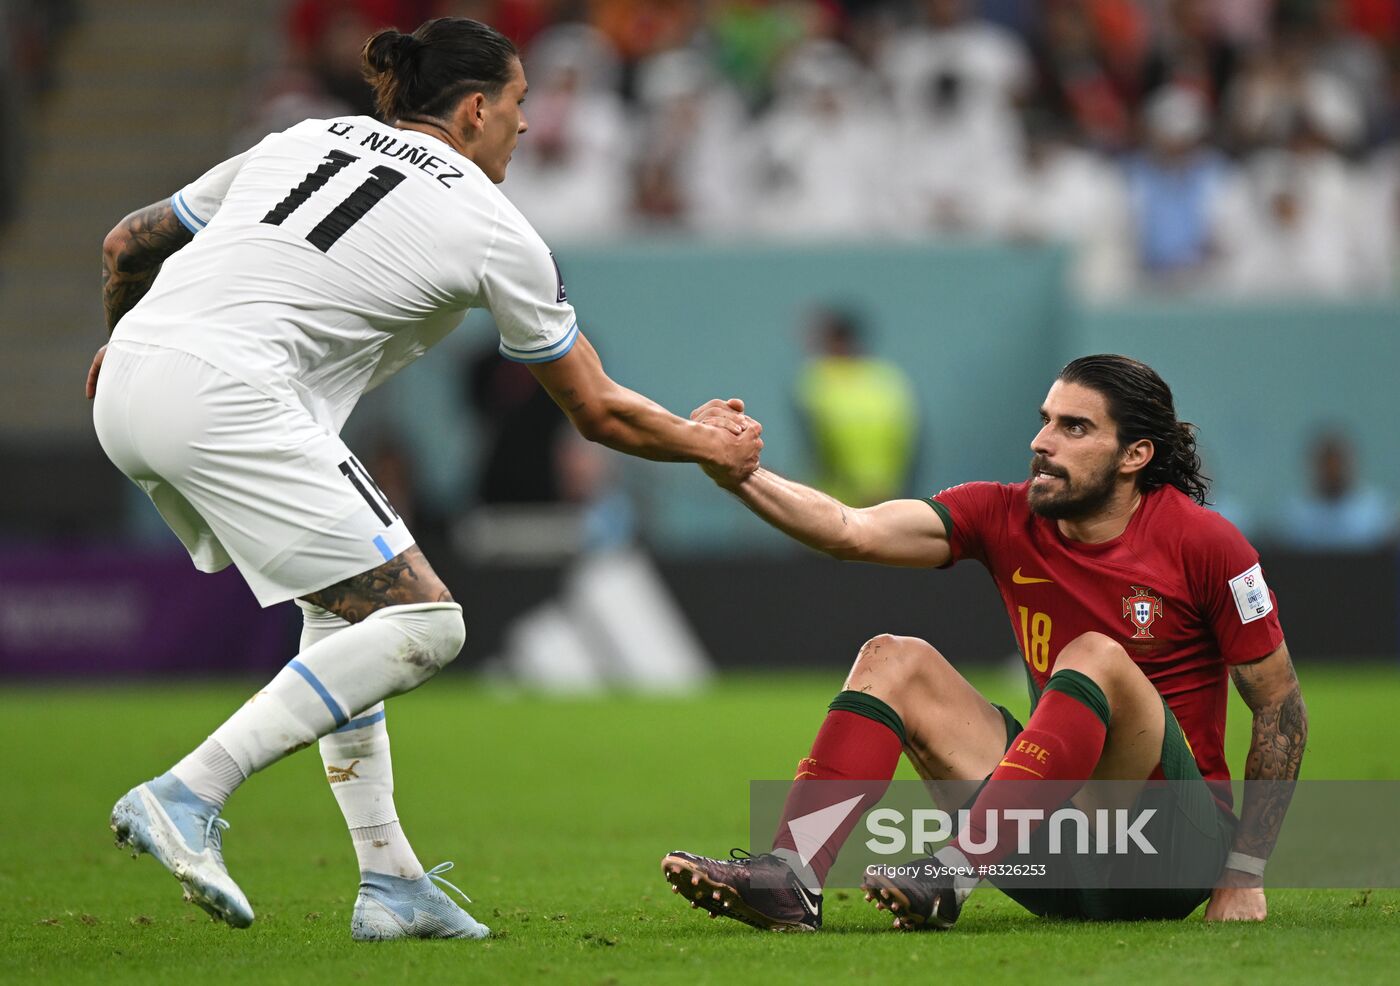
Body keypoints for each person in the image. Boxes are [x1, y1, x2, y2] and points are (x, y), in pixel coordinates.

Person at [88, 17, 761, 939]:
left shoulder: (299, 138)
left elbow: (129, 242)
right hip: (234, 393)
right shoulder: (495, 226)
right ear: (477, 109)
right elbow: (596, 410)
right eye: (520, 104)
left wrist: (121, 341)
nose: (526, 127)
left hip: (132, 378)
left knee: (344, 618)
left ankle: (391, 882)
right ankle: (188, 792)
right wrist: (704, 444)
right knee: (427, 621)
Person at [664, 355, 1306, 930]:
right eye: (1045, 419)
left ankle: (953, 870)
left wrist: (1244, 872)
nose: (1041, 441)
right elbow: (848, 529)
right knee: (893, 656)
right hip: (1049, 851)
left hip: (1168, 853)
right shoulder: (1004, 513)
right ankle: (790, 878)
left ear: (1134, 455)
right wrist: (737, 474)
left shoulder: (1208, 544)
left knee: (1094, 653)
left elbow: (1280, 707)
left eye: (1073, 427)